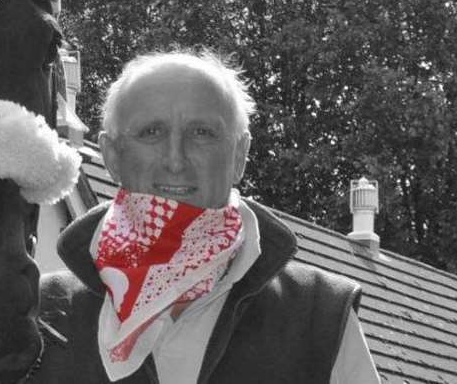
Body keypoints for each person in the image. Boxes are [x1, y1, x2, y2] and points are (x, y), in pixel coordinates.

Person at [39, 50, 380, 383]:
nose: (175, 159)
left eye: (202, 133)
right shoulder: (38, 313)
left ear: (239, 156)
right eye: (151, 133)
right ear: (112, 156)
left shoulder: (320, 316)